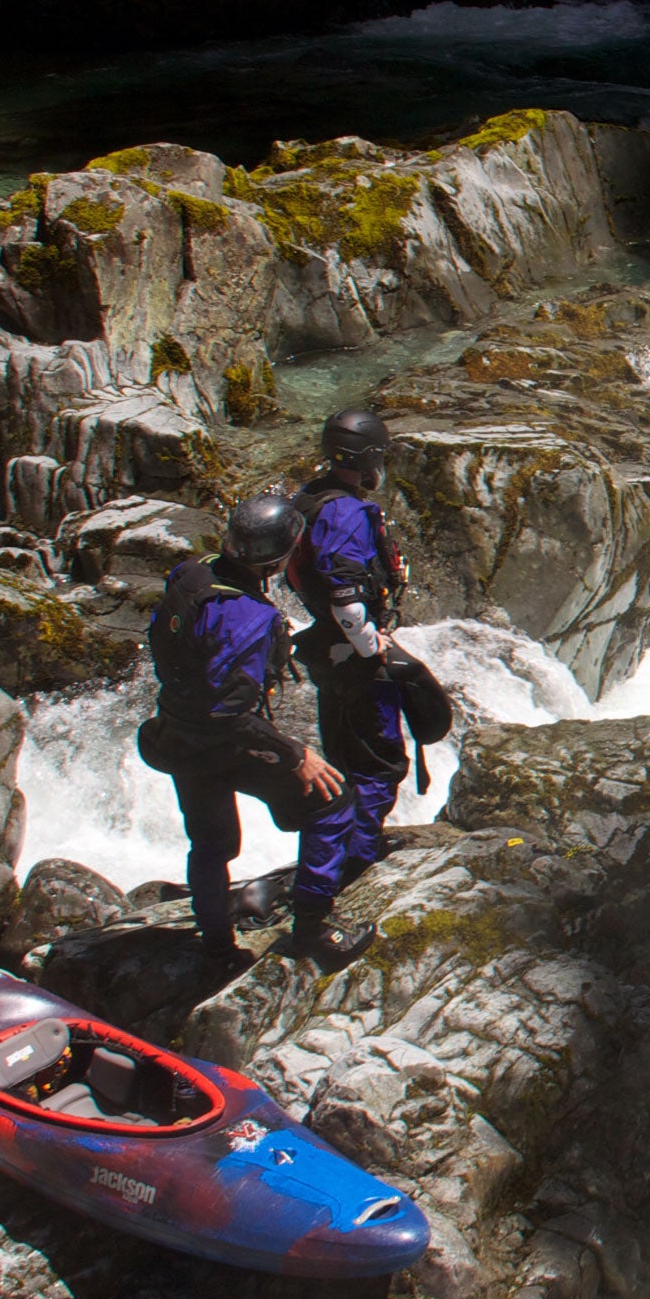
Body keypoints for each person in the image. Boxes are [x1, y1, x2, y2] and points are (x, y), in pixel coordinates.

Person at [137, 492, 375, 970]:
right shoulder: (250, 616)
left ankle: (217, 949)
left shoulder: (192, 572)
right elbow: (231, 714)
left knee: (210, 844)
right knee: (332, 802)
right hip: (222, 740)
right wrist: (295, 754)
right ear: (277, 559)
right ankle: (312, 930)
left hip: (177, 733)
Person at [285, 408, 410, 952]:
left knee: (342, 756)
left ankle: (342, 856)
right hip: (353, 655)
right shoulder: (345, 514)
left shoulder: (310, 499)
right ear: (369, 459)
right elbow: (345, 590)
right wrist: (370, 648)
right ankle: (356, 862)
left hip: (325, 650)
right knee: (379, 762)